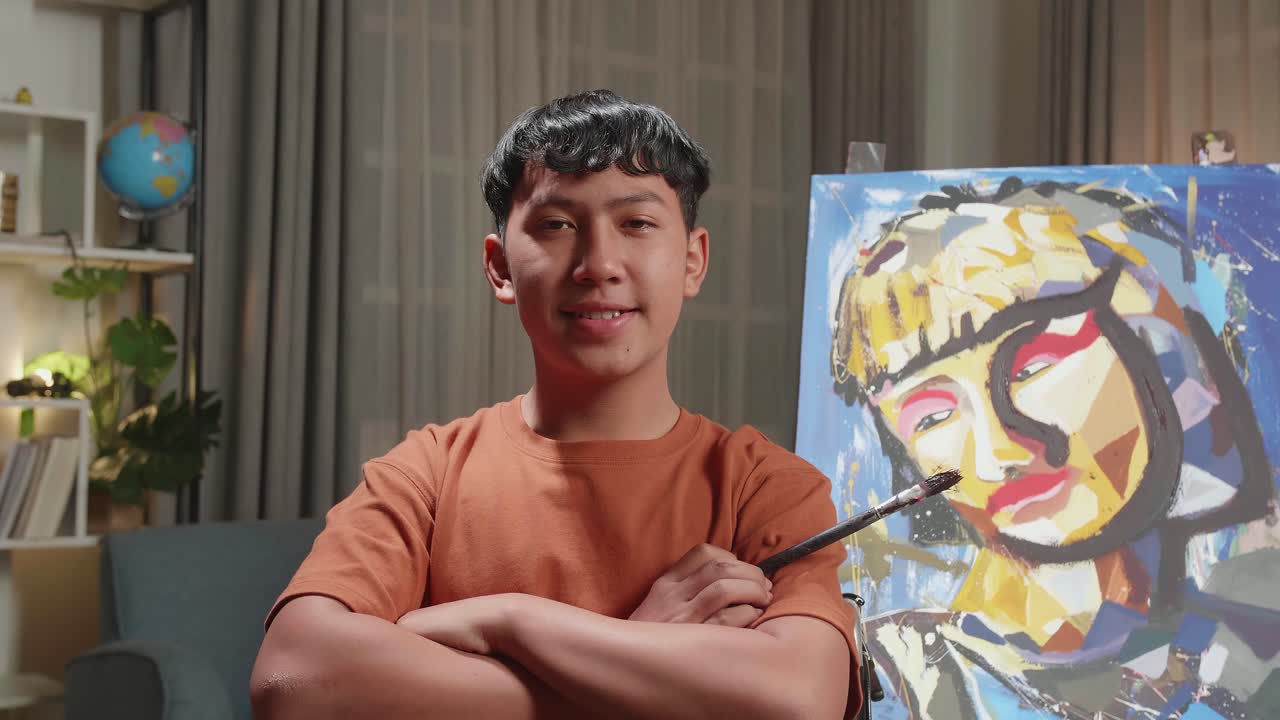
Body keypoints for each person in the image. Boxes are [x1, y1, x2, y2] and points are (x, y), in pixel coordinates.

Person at [250, 89, 860, 720]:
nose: (599, 264)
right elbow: (294, 677)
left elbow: (798, 698)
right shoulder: (427, 471)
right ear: (500, 268)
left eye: (638, 223)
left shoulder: (766, 487)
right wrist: (644, 659)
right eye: (557, 225)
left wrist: (507, 620)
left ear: (692, 259)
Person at [829, 178, 1280, 719]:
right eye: (934, 414)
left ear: (1155, 350)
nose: (1001, 451)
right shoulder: (896, 678)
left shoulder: (1249, 658)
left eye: (1034, 368)